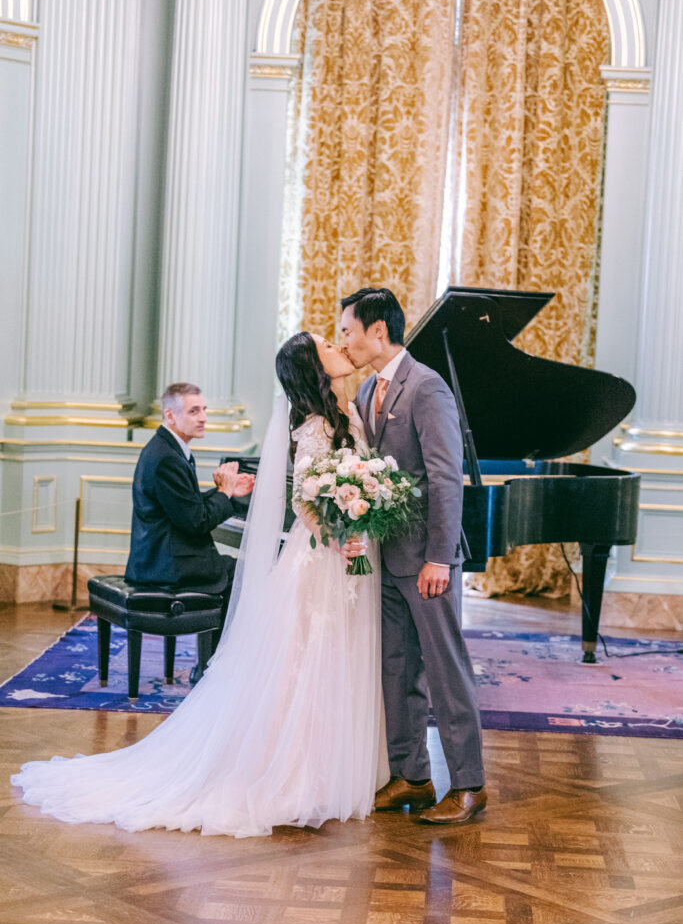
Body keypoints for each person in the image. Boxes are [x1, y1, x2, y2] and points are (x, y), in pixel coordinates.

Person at [11, 337, 389, 837]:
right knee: (300, 650)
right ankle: (290, 763)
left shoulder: (348, 413)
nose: (335, 343)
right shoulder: (314, 426)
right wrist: (334, 534)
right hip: (312, 555)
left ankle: (328, 754)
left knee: (330, 649)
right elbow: (302, 500)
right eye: (325, 343)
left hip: (344, 552)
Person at [340, 287, 486, 825]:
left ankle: (469, 784)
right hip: (385, 557)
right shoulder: (364, 391)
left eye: (348, 331)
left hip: (427, 560)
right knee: (397, 669)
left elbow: (446, 478)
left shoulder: (427, 386)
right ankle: (412, 776)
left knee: (446, 672)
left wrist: (439, 558)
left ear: (378, 330)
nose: (344, 342)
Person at [125, 382, 255, 682]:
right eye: (194, 411)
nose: (203, 417)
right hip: (166, 565)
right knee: (242, 575)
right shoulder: (167, 457)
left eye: (204, 409)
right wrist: (224, 492)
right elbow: (196, 522)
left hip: (162, 556)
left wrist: (228, 493)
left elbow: (187, 507)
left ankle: (217, 662)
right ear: (170, 415)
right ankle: (211, 668)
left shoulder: (170, 448)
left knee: (240, 570)